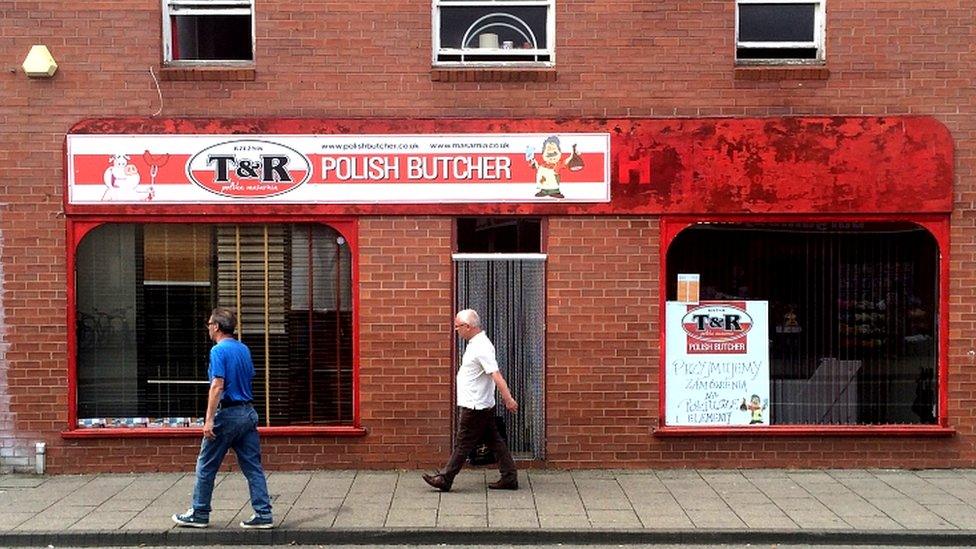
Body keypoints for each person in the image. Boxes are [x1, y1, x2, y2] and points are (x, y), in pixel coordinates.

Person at [172, 307, 274, 529]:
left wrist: (209, 420)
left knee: (206, 465)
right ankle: (264, 514)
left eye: (209, 324)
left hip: (227, 415)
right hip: (247, 413)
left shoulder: (218, 351)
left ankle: (199, 512)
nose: (208, 328)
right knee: (252, 466)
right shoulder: (243, 349)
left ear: (216, 326)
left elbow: (217, 385)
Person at [423, 309, 519, 492]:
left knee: (464, 442)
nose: (456, 330)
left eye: (458, 327)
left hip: (475, 405)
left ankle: (446, 478)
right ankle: (509, 477)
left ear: (468, 326)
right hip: (479, 403)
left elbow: (496, 375)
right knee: (495, 441)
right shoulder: (476, 344)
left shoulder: (481, 347)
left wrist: (508, 399)